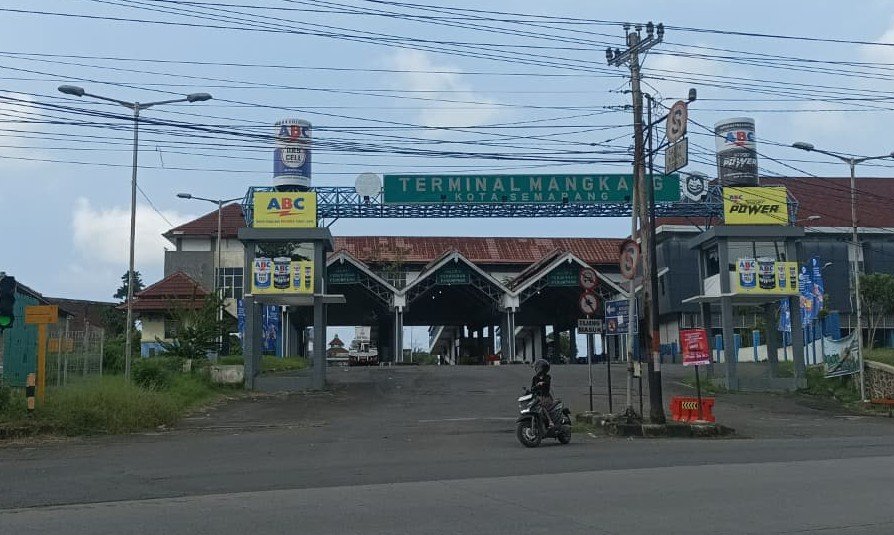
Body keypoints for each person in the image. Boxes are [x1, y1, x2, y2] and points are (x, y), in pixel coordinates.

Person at [531, 359, 556, 428]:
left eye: (537, 367)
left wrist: (543, 383)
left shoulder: (547, 377)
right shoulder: (535, 378)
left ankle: (550, 421)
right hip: (537, 397)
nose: (536, 369)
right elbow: (532, 388)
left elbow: (547, 384)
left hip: (546, 397)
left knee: (542, 406)